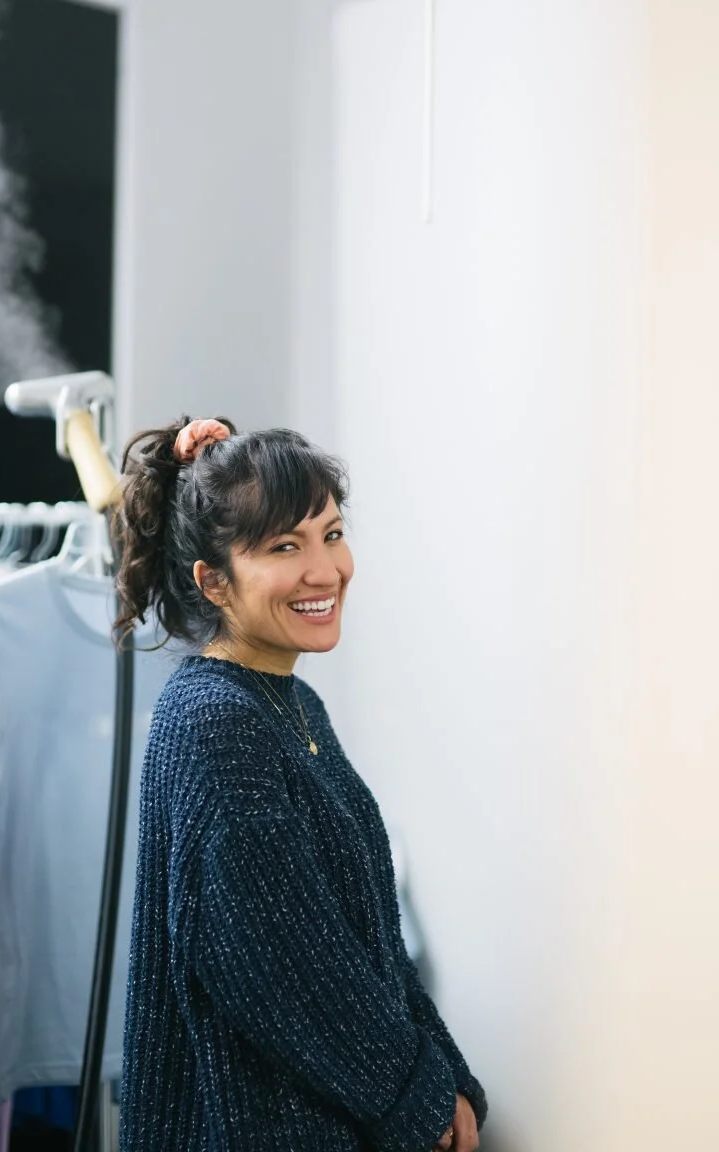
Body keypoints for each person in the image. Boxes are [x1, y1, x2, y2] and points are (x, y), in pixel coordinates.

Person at [116, 417, 487, 1151]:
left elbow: (365, 941)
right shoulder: (213, 722)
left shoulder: (288, 702)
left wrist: (443, 1075)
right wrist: (421, 1097)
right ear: (212, 581)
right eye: (285, 546)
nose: (326, 570)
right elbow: (277, 968)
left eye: (332, 533)